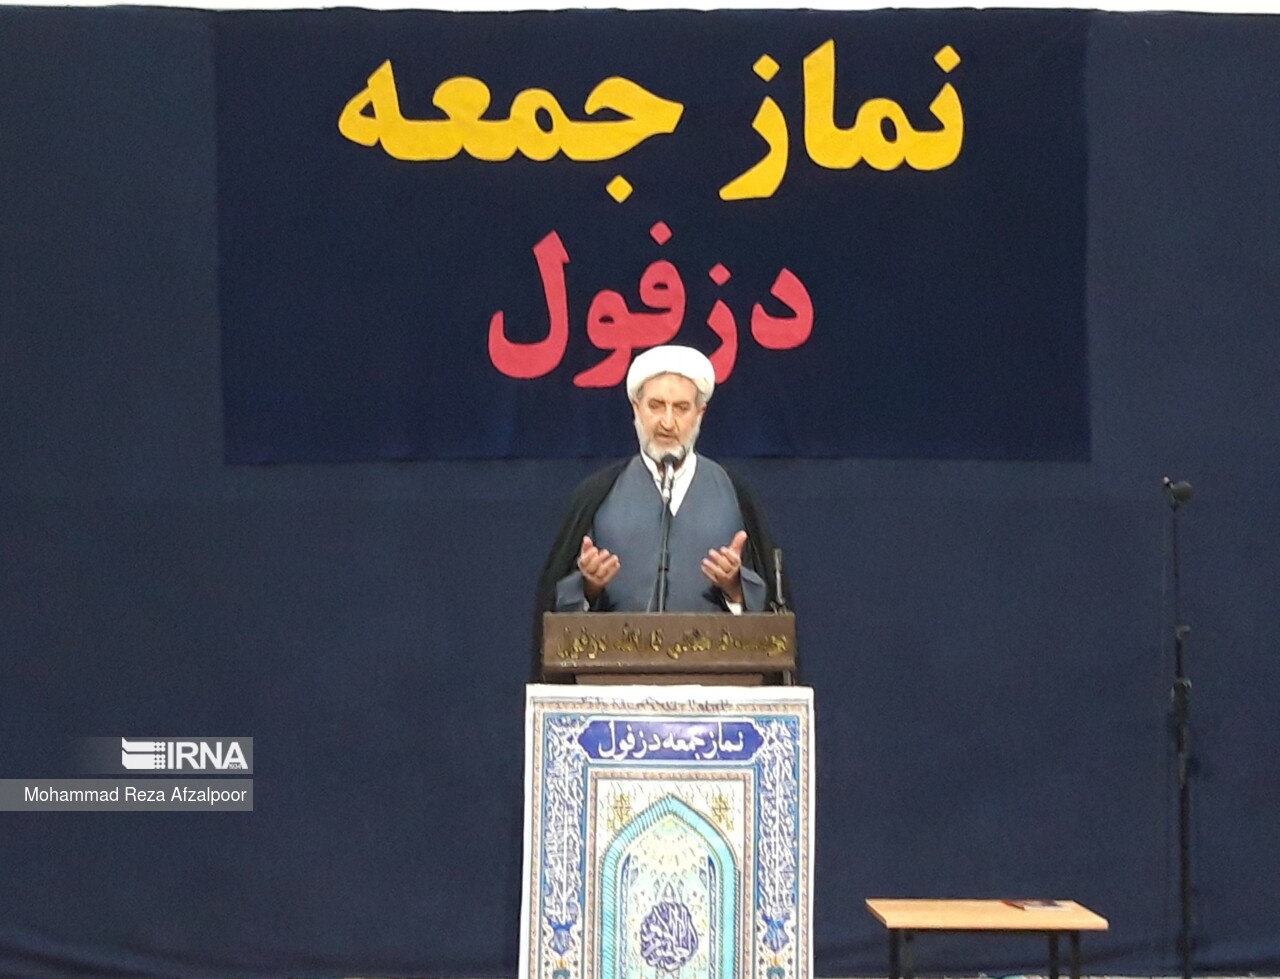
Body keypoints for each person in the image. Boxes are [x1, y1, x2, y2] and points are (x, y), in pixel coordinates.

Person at [532, 345, 786, 680]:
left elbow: (771, 611)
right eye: (656, 406)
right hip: (613, 689)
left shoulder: (733, 493)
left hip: (717, 690)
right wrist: (589, 587)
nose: (667, 422)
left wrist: (735, 588)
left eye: (681, 408)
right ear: (636, 408)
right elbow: (557, 610)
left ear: (700, 414)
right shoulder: (598, 494)